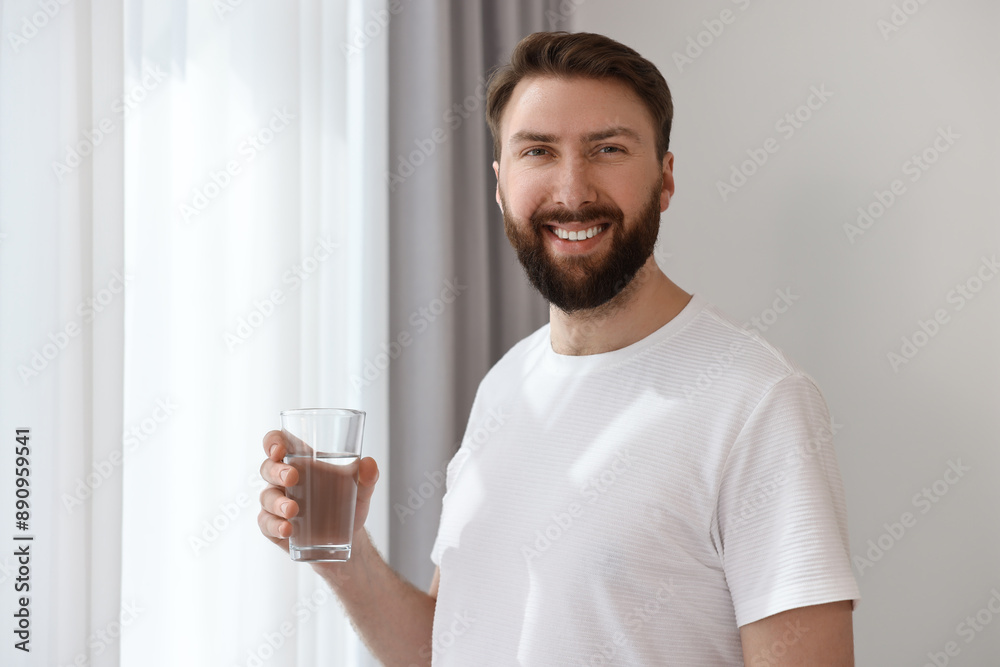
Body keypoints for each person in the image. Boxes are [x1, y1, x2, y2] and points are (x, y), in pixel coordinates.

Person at [258, 31, 860, 666]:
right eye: (538, 152)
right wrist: (346, 553)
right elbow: (447, 648)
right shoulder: (505, 385)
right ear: (500, 185)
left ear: (665, 179)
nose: (572, 191)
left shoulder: (756, 402)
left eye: (607, 149)